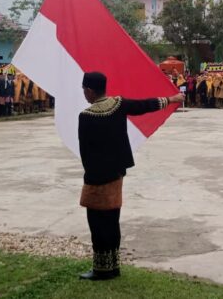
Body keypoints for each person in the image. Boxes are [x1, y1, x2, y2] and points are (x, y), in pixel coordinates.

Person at [77, 72, 183, 280]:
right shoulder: (119, 104)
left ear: (89, 90)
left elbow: (86, 153)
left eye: (84, 90)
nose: (84, 94)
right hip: (117, 173)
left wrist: (90, 178)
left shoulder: (86, 116)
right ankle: (113, 267)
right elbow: (144, 105)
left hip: (97, 178)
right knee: (112, 221)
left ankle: (101, 270)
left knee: (98, 224)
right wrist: (171, 100)